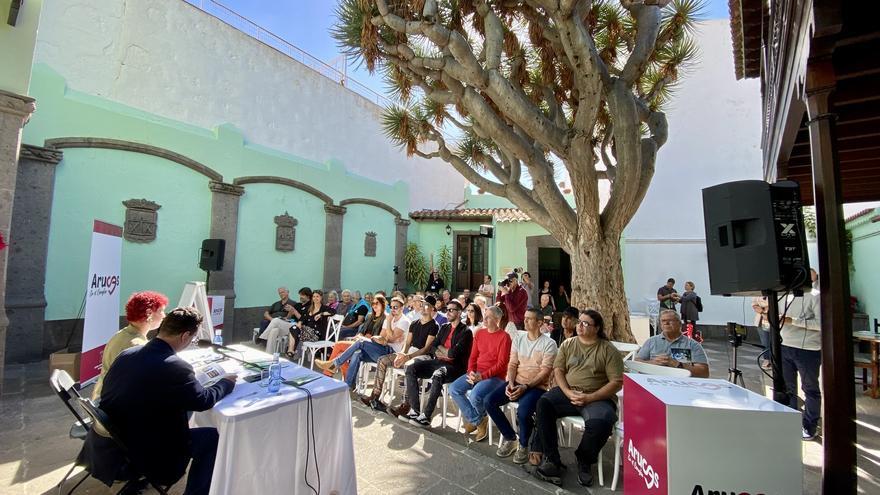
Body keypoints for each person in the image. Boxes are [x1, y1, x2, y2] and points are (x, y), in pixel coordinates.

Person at [100, 307, 236, 495]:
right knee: (213, 438)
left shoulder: (127, 354)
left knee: (184, 410)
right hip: (153, 455)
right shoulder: (175, 366)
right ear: (185, 336)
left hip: (115, 446)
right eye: (192, 339)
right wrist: (225, 383)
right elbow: (203, 401)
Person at [531, 309, 623, 488]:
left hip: (597, 397)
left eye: (585, 323)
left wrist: (590, 398)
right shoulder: (569, 344)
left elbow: (616, 382)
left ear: (596, 328)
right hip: (568, 392)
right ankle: (552, 458)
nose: (579, 326)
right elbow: (558, 370)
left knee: (601, 422)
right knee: (543, 403)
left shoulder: (608, 349)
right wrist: (566, 391)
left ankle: (584, 459)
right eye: (579, 322)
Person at [486, 308, 558, 463]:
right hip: (517, 381)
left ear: (539, 323)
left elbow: (545, 372)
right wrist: (511, 383)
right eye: (524, 318)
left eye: (529, 319)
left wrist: (526, 386)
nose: (524, 321)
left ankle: (524, 445)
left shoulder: (549, 343)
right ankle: (510, 437)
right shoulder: (519, 338)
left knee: (524, 412)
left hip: (537, 386)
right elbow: (512, 364)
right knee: (489, 401)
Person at [392, 300, 473, 426]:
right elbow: (433, 347)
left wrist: (443, 351)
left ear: (459, 312)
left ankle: (426, 416)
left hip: (455, 367)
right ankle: (415, 411)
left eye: (452, 310)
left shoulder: (466, 331)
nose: (448, 312)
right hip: (438, 361)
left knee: (438, 374)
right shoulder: (445, 327)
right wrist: (443, 351)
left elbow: (454, 354)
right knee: (411, 368)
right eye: (447, 310)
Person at [359, 298, 439, 412]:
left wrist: (408, 357)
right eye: (422, 304)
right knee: (382, 360)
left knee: (409, 366)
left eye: (427, 305)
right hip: (410, 352)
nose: (423, 307)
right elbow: (407, 343)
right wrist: (402, 353)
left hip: (423, 357)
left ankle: (406, 405)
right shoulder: (414, 323)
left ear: (432, 308)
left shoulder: (434, 326)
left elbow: (426, 349)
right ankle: (375, 396)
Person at [316, 295, 408, 391]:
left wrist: (388, 325)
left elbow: (391, 339)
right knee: (357, 353)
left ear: (402, 308)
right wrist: (379, 338)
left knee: (360, 342)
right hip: (380, 348)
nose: (393, 309)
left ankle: (334, 365)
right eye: (392, 307)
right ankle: (349, 385)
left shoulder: (402, 321)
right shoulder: (373, 316)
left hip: (391, 354)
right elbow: (382, 337)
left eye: (396, 307)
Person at [449, 306, 512, 442]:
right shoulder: (479, 333)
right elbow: (473, 356)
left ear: (497, 319)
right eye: (485, 315)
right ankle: (478, 420)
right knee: (453, 389)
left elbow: (501, 364)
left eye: (488, 317)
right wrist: (471, 372)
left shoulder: (505, 337)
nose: (484, 319)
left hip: (495, 377)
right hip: (477, 373)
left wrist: (482, 377)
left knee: (475, 395)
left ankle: (476, 421)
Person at [92, 291, 169, 400]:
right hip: (113, 403)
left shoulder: (121, 334)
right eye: (161, 311)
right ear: (149, 313)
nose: (164, 316)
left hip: (102, 395)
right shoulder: (137, 345)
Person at [780, 269, 821, 440]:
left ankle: (810, 425)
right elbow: (778, 319)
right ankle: (790, 421)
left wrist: (793, 321)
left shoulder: (815, 295)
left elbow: (821, 324)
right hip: (785, 345)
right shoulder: (784, 295)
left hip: (808, 349)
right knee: (787, 388)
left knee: (809, 389)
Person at [635, 310, 710, 378]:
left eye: (670, 320)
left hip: (681, 383)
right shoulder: (651, 341)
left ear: (679, 324)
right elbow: (637, 363)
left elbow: (704, 373)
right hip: (653, 380)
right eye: (663, 321)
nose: (666, 323)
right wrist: (653, 363)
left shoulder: (692, 345)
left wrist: (678, 365)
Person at [286, 289, 333, 358]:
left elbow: (333, 311)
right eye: (314, 296)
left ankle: (291, 351)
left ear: (321, 298)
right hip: (306, 332)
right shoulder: (309, 308)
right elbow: (302, 318)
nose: (315, 298)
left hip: (316, 335)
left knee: (294, 330)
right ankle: (291, 351)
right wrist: (299, 323)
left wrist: (321, 314)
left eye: (317, 296)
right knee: (294, 328)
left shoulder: (324, 308)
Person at [752, 296, 771, 369]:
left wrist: (763, 309)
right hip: (761, 319)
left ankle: (775, 360)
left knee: (774, 341)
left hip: (773, 319)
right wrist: (763, 310)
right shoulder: (758, 293)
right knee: (765, 341)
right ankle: (767, 359)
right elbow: (754, 304)